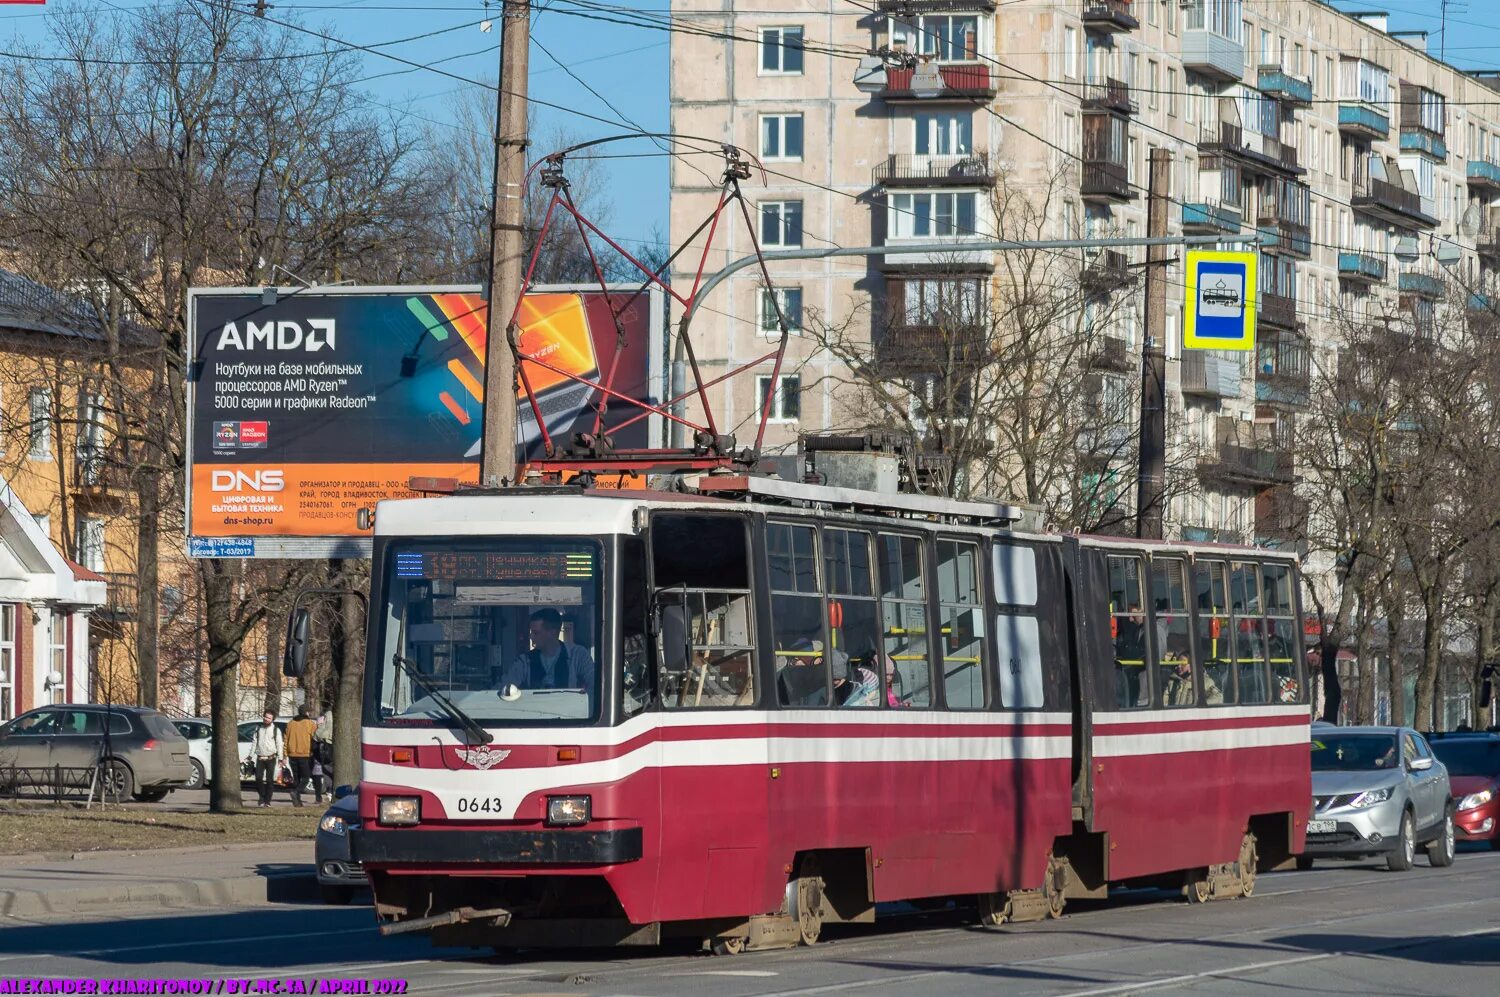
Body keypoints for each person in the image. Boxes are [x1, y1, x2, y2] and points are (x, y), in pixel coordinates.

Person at [502, 608, 595, 695]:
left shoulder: (578, 655)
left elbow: (595, 686)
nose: (531, 637)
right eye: (531, 632)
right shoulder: (525, 661)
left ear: (552, 633)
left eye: (536, 633)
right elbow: (503, 687)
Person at [284, 708, 319, 807]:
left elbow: (286, 739)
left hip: (292, 755)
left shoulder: (290, 723)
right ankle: (296, 792)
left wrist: (285, 754)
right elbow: (315, 737)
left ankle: (297, 802)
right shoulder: (310, 724)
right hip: (305, 754)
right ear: (306, 712)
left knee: (296, 778)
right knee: (306, 778)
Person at [250, 711, 285, 809]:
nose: (266, 719)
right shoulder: (258, 728)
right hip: (260, 757)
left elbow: (279, 744)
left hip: (271, 758)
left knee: (270, 780)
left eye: (269, 718)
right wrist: (250, 755)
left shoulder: (275, 730)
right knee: (258, 778)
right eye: (265, 717)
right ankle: (262, 796)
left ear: (272, 720)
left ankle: (267, 801)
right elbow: (254, 742)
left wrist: (280, 758)